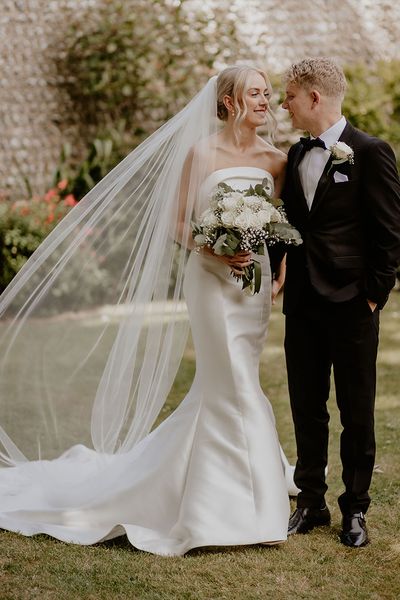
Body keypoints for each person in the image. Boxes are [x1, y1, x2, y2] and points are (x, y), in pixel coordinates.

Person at [0, 65, 296, 556]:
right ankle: (246, 503)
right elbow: (177, 223)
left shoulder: (277, 161)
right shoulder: (201, 153)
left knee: (234, 380)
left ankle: (219, 484)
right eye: (256, 94)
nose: (266, 102)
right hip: (209, 281)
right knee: (232, 383)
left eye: (268, 94)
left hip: (253, 287)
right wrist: (213, 248)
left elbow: (277, 226)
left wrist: (278, 267)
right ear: (227, 102)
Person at [281, 57, 400, 547]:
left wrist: (373, 298)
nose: (283, 104)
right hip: (302, 304)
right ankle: (310, 502)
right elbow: (292, 224)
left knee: (357, 411)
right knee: (307, 407)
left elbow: (390, 234)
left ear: (315, 97)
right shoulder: (293, 153)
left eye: (289, 95)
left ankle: (355, 509)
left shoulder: (370, 151)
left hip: (353, 304)